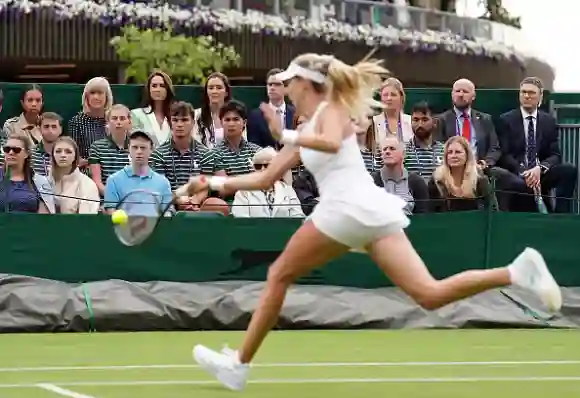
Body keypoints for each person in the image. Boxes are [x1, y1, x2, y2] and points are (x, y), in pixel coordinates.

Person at [181, 54, 562, 392]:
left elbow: (329, 143)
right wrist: (213, 182)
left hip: (345, 208)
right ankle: (514, 272)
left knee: (279, 274)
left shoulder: (330, 112)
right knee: (429, 293)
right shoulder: (305, 128)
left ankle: (238, 366)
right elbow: (264, 179)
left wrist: (287, 134)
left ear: (307, 83)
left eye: (289, 82)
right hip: (366, 211)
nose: (285, 89)